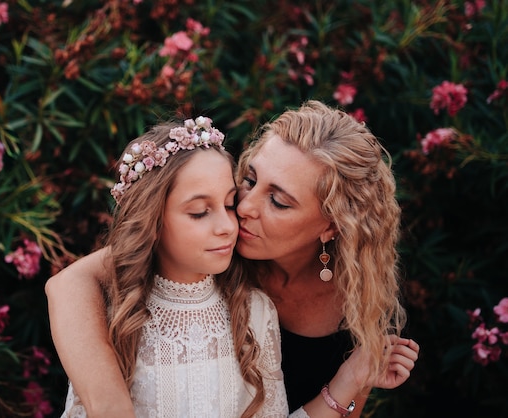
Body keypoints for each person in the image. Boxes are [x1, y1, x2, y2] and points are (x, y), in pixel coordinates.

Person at [47, 101, 420, 417]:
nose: (243, 209)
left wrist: (352, 379)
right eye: (249, 180)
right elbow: (69, 283)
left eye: (278, 201)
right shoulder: (197, 253)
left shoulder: (355, 300)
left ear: (332, 227)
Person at [60, 117, 290, 417]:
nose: (227, 226)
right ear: (152, 223)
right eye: (199, 212)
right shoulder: (108, 316)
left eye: (230, 204)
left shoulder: (255, 311)